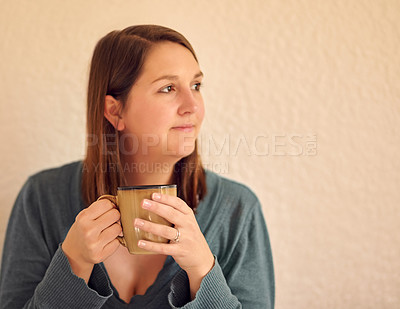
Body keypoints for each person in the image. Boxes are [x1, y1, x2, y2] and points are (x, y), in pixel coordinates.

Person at [0, 25, 274, 308]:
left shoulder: (238, 210)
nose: (192, 106)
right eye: (168, 88)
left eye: (196, 86)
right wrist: (74, 262)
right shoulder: (41, 199)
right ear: (115, 111)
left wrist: (203, 271)